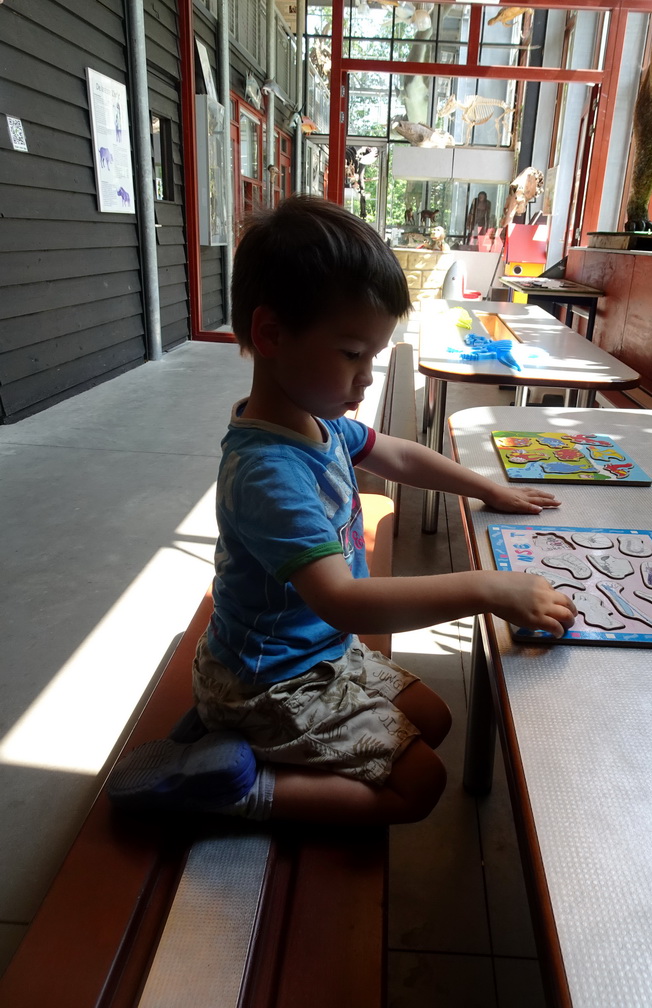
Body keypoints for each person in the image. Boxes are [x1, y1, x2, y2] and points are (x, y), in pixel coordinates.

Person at [108, 196, 576, 827]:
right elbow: (343, 600)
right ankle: (230, 790)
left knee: (434, 719)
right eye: (353, 353)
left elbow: (398, 455)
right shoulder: (269, 473)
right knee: (421, 785)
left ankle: (228, 745)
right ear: (272, 334)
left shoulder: (316, 422)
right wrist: (487, 589)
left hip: (318, 653)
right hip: (270, 682)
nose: (366, 378)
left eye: (374, 357)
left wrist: (486, 489)